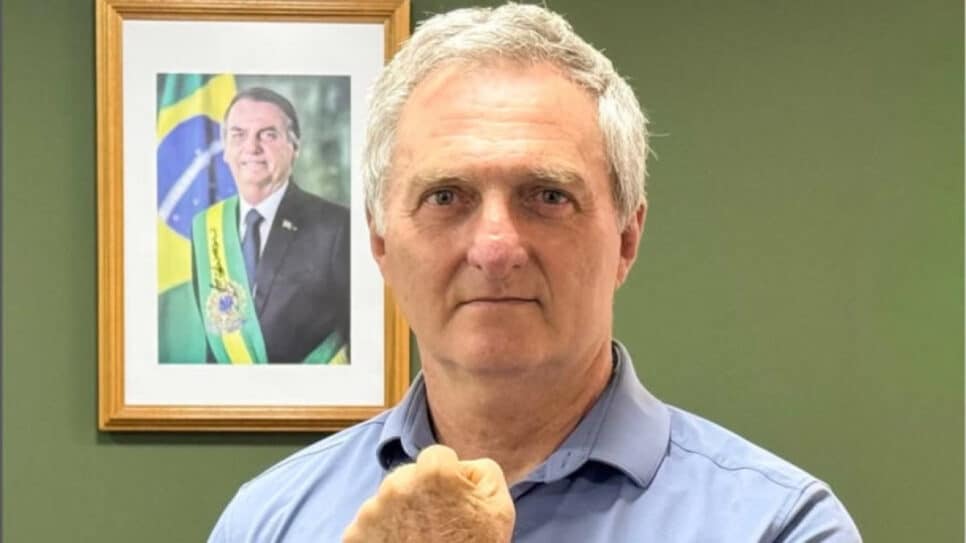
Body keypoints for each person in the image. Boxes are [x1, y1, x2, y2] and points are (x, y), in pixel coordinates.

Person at [209, 4, 862, 541]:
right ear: (380, 240)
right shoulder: (266, 523)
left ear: (627, 237)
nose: (495, 247)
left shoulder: (778, 526)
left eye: (548, 196)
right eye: (446, 196)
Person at [191, 87, 350, 364]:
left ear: (294, 147)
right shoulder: (205, 227)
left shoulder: (336, 227)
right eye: (238, 135)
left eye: (268, 135)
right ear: (225, 148)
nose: (251, 147)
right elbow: (216, 343)